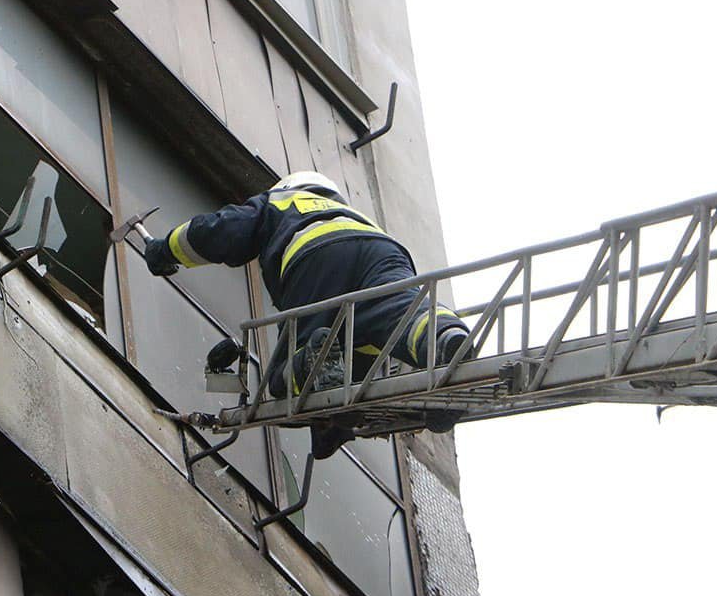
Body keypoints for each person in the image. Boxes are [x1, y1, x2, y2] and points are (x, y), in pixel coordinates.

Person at [143, 171, 472, 456]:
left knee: (283, 379)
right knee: (400, 315)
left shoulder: (283, 202)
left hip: (314, 254)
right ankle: (444, 338)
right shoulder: (357, 216)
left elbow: (221, 229)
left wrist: (166, 249)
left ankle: (313, 363)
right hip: (385, 254)